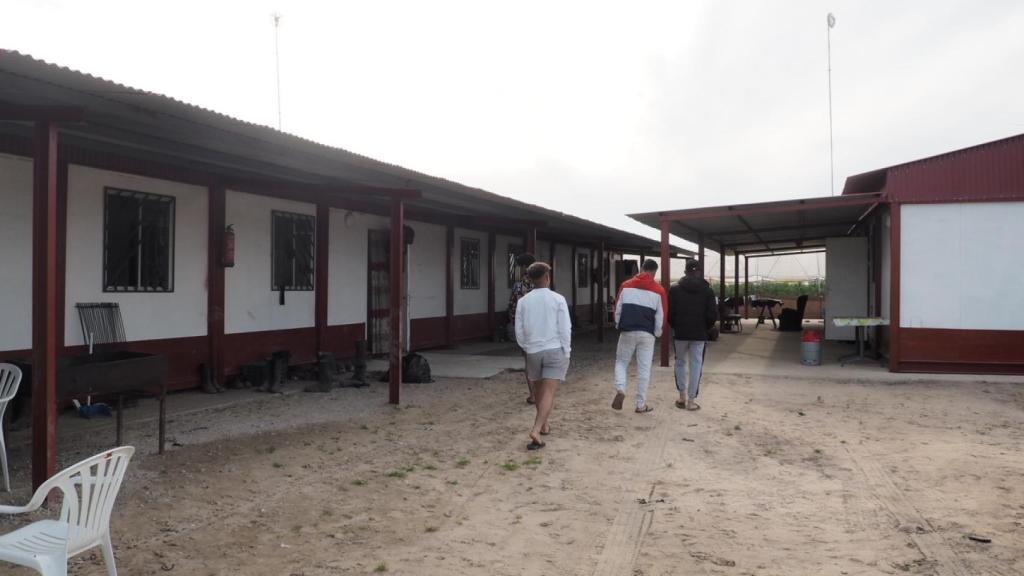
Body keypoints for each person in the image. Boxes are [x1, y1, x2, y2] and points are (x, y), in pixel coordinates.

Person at [514, 262, 571, 450]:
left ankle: (545, 424)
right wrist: (567, 350)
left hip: (533, 351)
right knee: (549, 392)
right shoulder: (558, 299)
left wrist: (526, 346)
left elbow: (519, 330)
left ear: (530, 279)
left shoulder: (523, 302)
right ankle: (537, 429)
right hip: (554, 348)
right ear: (547, 277)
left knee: (539, 391)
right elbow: (565, 328)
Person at [611, 259, 666, 413]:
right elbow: (661, 316)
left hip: (627, 331)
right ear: (655, 271)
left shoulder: (626, 285)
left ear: (642, 268)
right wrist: (657, 332)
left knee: (621, 362)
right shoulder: (659, 290)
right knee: (644, 368)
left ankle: (621, 388)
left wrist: (617, 324)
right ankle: (640, 404)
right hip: (647, 334)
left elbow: (618, 308)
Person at [668, 258, 717, 411]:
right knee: (696, 365)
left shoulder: (674, 289)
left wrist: (676, 326)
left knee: (680, 362)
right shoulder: (708, 291)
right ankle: (691, 401)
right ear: (699, 272)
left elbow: (670, 314)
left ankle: (681, 396)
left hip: (681, 333)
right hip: (699, 334)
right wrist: (705, 328)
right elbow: (712, 315)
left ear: (685, 272)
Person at [508, 252, 537, 403]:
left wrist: (515, 324)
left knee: (529, 362)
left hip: (526, 329)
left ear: (524, 267)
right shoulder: (542, 285)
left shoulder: (518, 286)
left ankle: (533, 395)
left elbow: (512, 308)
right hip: (542, 327)